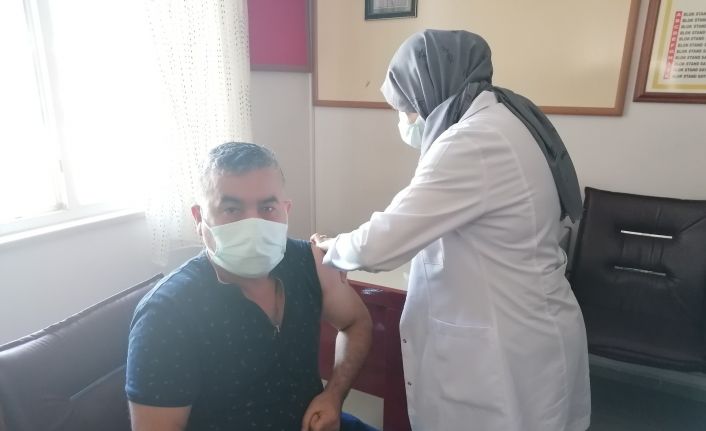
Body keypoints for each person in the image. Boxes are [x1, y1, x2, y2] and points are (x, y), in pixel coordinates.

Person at [312, 30, 591, 431]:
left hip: (503, 344)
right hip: (531, 322)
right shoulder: (506, 117)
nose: (407, 121)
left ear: (431, 90)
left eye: (408, 109)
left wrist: (330, 247)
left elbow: (383, 243)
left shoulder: (471, 141)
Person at [126, 142, 374, 431]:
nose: (253, 224)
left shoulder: (309, 263)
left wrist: (333, 395)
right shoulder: (167, 314)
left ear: (286, 210)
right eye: (232, 209)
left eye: (267, 207)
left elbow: (356, 322)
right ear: (199, 218)